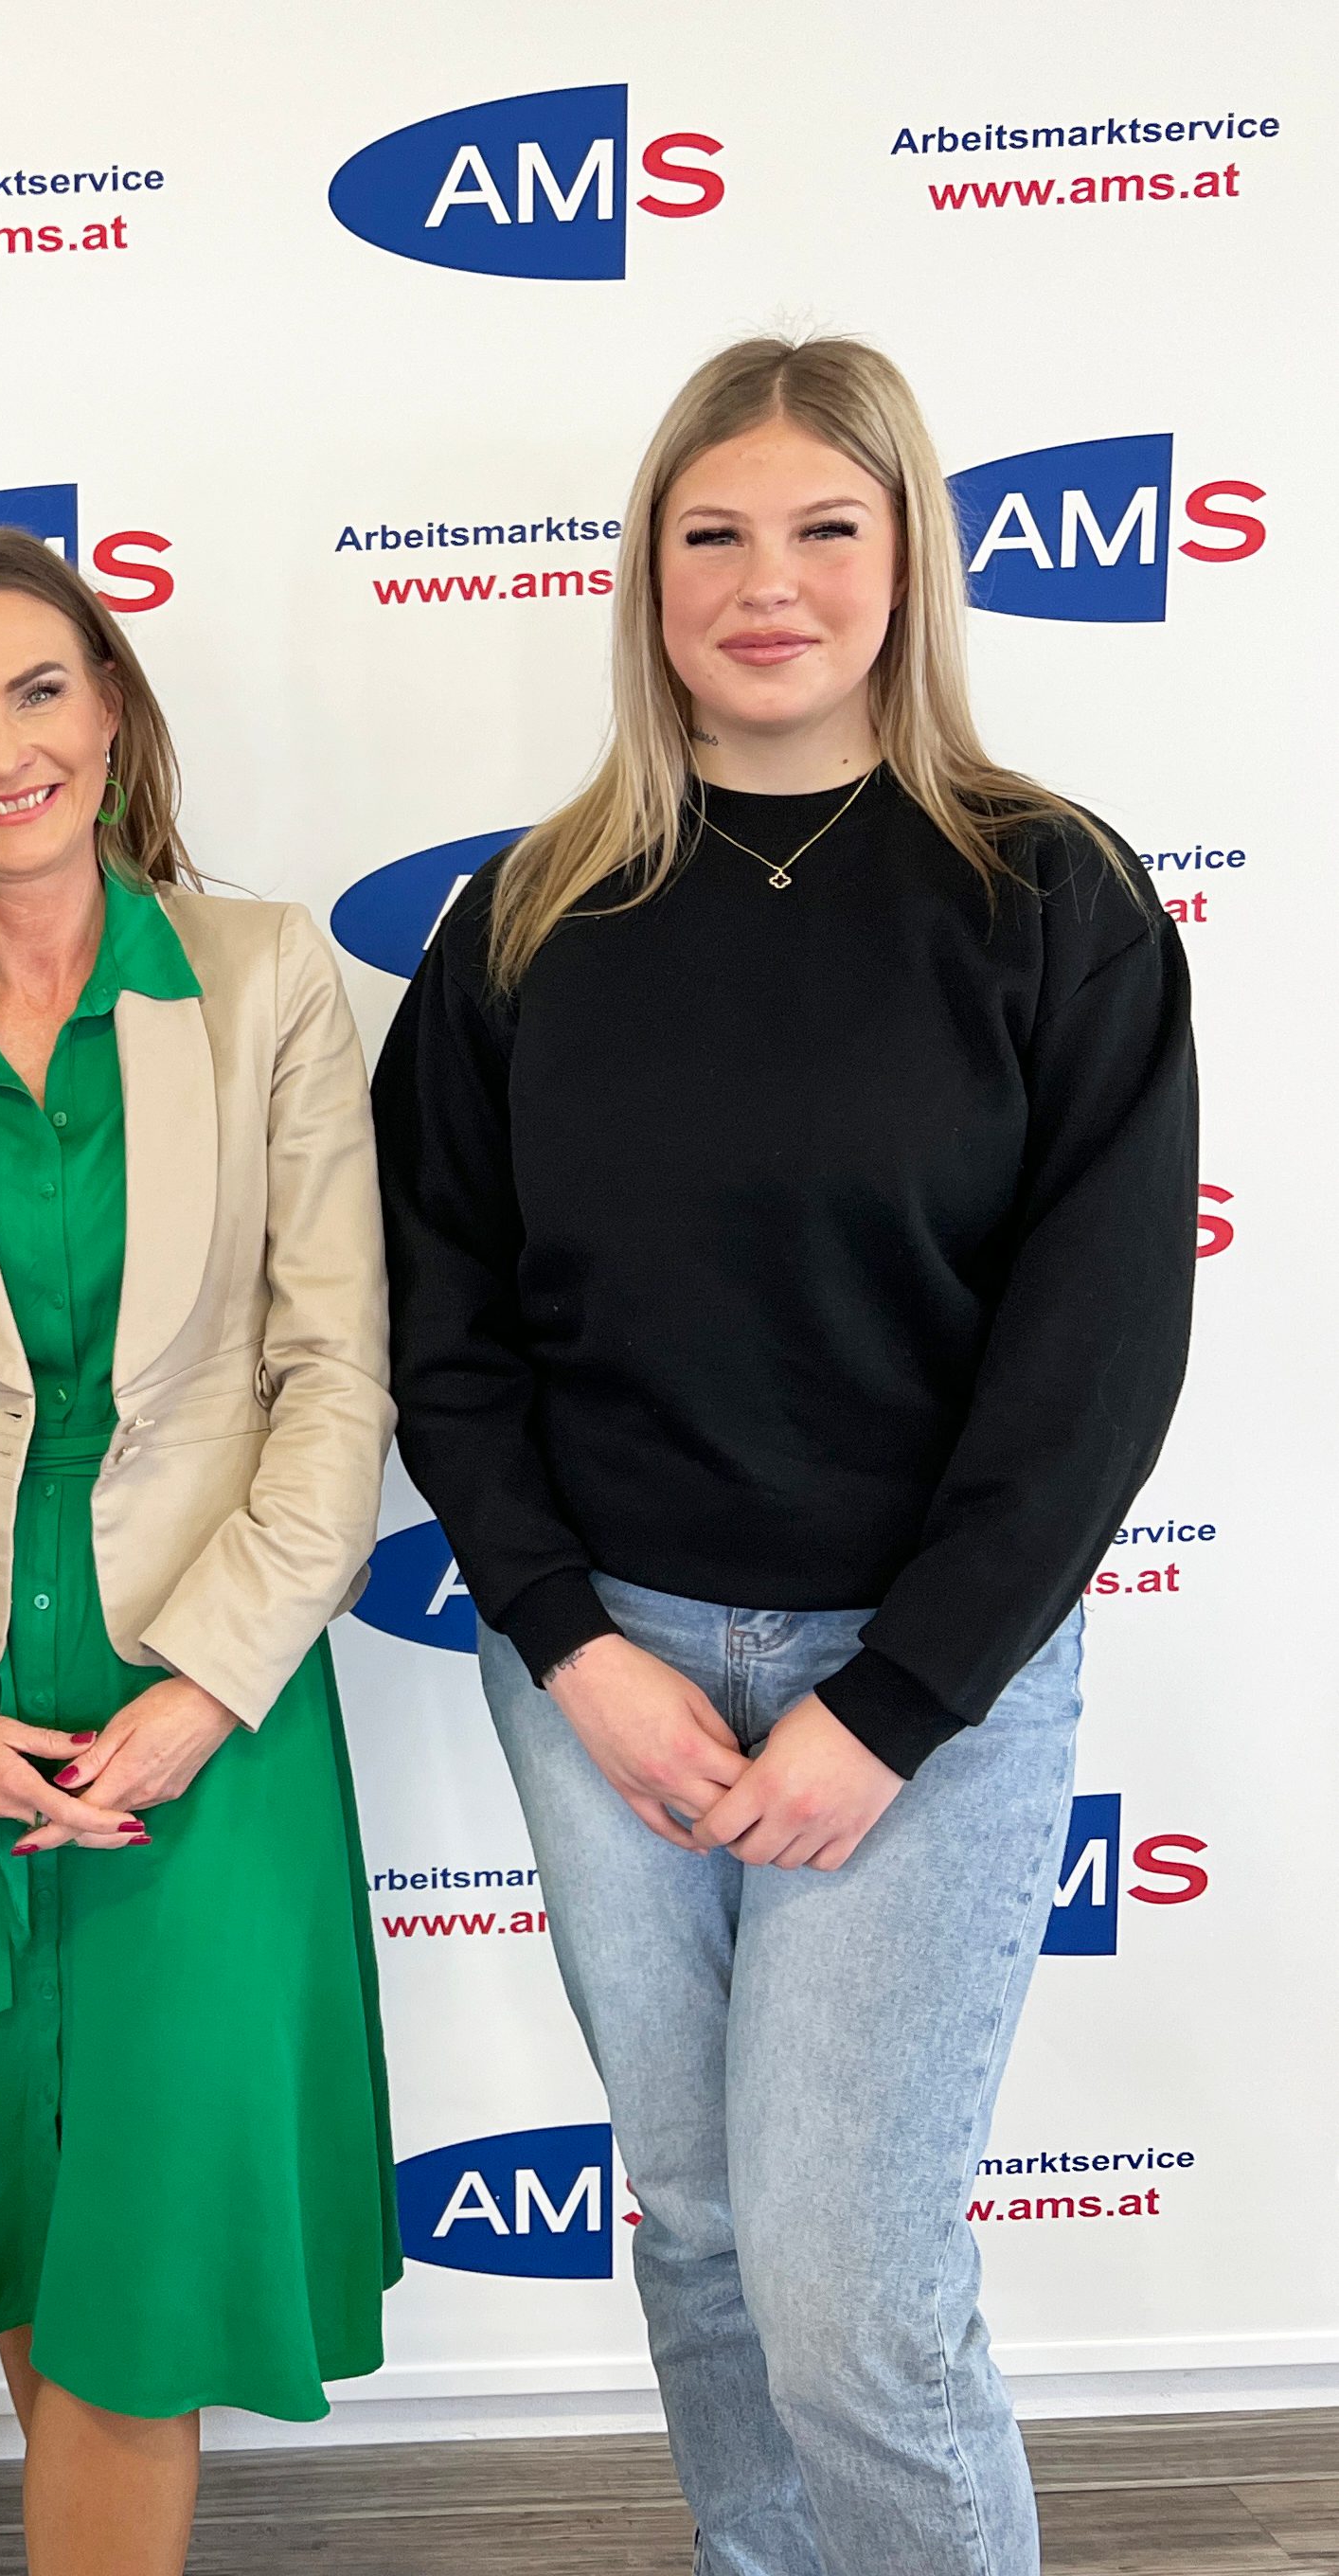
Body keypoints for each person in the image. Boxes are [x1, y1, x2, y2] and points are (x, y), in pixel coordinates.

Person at [372, 334, 1196, 2576]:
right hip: (609, 1664)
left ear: (909, 556)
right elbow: (440, 1327)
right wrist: (569, 1641)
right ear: (642, 580)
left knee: (853, 2295)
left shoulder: (1047, 897)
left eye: (826, 527)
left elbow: (1094, 1362)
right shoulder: (533, 917)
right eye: (709, 534)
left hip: (920, 1679)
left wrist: (893, 1705)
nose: (768, 584)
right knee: (709, 2233)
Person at [0, 528, 399, 2576]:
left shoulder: (266, 975)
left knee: (141, 2279)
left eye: (36, 690)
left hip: (208, 1724)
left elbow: (335, 1378)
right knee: (28, 2222)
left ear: (109, 710)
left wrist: (203, 1688)